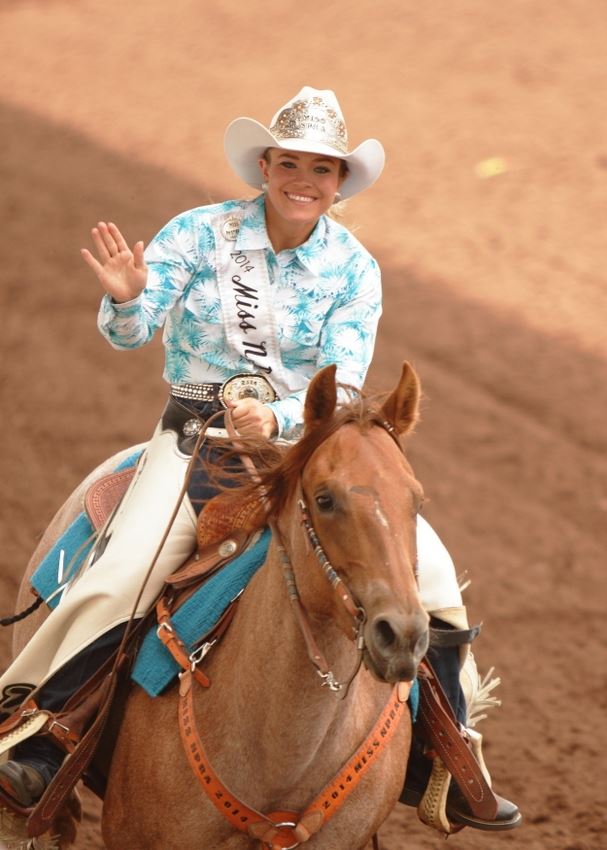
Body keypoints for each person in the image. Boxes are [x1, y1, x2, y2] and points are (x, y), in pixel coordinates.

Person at [0, 86, 520, 834]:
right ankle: (41, 736)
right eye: (290, 162)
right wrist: (125, 302)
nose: (303, 179)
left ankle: (451, 754)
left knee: (429, 578)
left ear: (340, 182)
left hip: (304, 454)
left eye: (322, 168)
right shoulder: (198, 233)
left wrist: (275, 416)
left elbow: (341, 380)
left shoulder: (353, 269)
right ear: (265, 165)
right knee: (121, 577)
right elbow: (131, 332)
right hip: (197, 448)